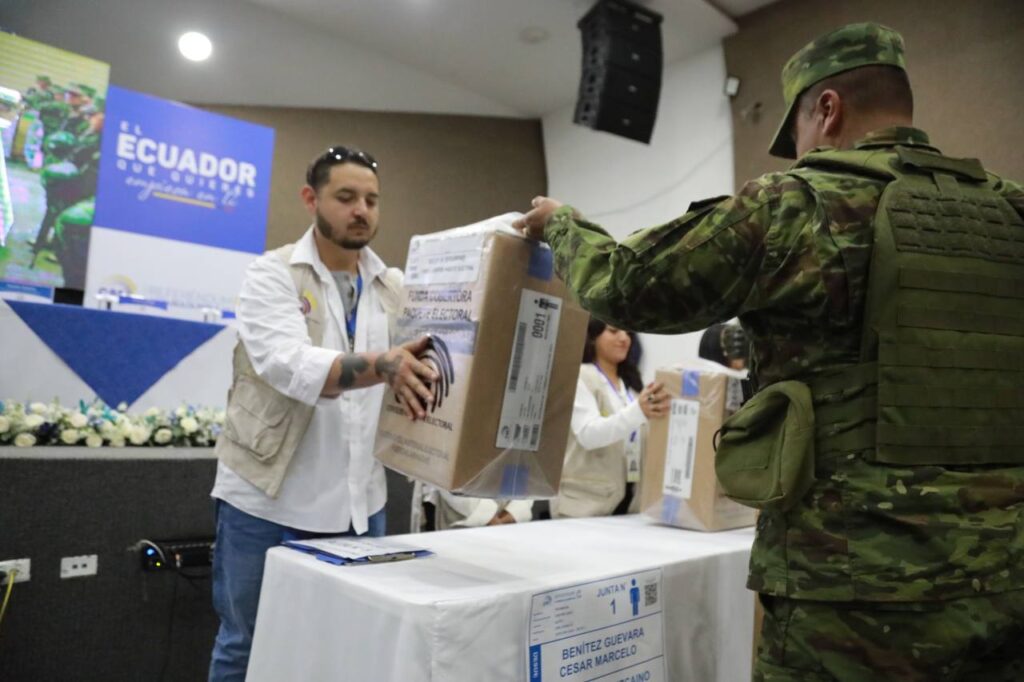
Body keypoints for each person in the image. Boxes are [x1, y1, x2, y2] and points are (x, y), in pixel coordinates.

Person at [515, 22, 1024, 681]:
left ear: (827, 109)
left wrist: (563, 223)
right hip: (1007, 578)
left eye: (799, 134)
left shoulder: (798, 207)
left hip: (852, 592)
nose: (798, 153)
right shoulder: (1011, 215)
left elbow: (628, 287)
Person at [207, 145, 437, 682]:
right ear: (311, 198)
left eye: (372, 200)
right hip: (265, 499)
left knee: (343, 650)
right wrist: (384, 365)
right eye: (346, 197)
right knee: (246, 644)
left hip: (361, 504)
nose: (362, 210)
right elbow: (288, 364)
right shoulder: (271, 275)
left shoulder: (394, 288)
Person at [552, 318, 669, 518]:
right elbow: (588, 435)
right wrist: (638, 411)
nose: (624, 338)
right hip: (584, 505)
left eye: (628, 333)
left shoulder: (631, 384)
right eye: (614, 331)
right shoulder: (579, 376)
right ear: (592, 336)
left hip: (630, 503)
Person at [410, 481, 533, 531]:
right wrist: (488, 516)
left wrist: (514, 512)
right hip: (458, 516)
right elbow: (444, 469)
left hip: (508, 521)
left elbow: (532, 472)